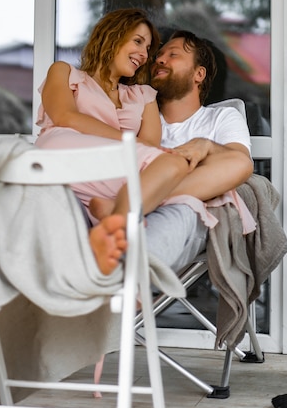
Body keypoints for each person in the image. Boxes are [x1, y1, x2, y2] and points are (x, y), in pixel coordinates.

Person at [92, 29, 255, 273]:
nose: (159, 59)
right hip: (115, 205)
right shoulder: (137, 116)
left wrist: (207, 145)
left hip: (182, 211)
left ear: (199, 74)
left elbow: (239, 162)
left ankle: (129, 218)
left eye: (173, 54)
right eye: (159, 54)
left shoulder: (220, 118)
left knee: (193, 201)